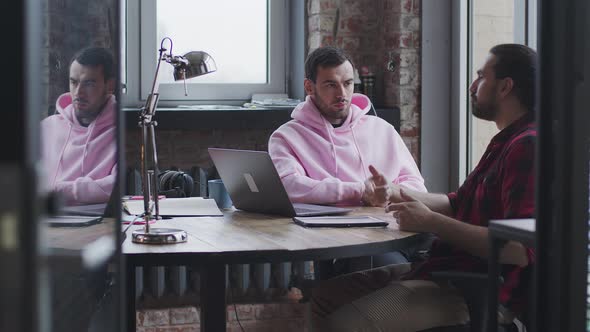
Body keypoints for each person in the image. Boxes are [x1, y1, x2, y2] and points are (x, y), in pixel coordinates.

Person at [311, 43, 537, 331]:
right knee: (325, 297)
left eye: (481, 76)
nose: (472, 85)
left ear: (505, 87)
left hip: (482, 290)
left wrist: (431, 222)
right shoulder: (505, 141)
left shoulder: (528, 147)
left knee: (345, 323)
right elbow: (459, 203)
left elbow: (517, 249)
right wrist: (396, 191)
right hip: (446, 269)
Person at [268, 46, 426, 208]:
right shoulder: (286, 137)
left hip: (387, 225)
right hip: (324, 230)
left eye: (347, 83)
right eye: (331, 85)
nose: (342, 94)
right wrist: (359, 190)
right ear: (309, 87)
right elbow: (287, 186)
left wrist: (387, 192)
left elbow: (417, 187)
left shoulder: (383, 130)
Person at [41, 47, 117, 206]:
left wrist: (59, 190)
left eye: (89, 83)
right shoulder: (47, 127)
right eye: (74, 82)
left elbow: (117, 186)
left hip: (97, 225)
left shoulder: (121, 132)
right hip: (43, 221)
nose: (78, 93)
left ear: (109, 86)